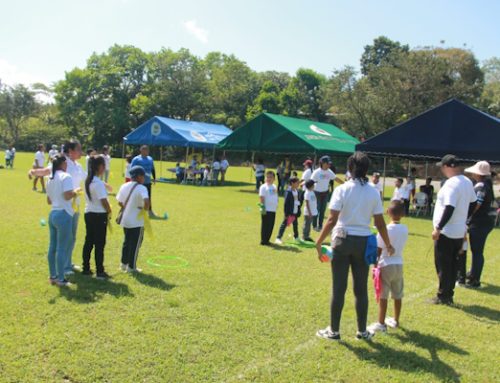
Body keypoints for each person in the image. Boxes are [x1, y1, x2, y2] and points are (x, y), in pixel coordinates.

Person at [315, 152, 394, 341]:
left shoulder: (342, 190)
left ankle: (334, 331)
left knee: (338, 288)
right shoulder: (373, 191)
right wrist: (388, 244)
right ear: (367, 169)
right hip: (363, 242)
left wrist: (318, 242)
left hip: (342, 241)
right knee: (361, 289)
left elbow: (332, 219)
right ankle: (362, 331)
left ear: (350, 168)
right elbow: (380, 223)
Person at [30, 140, 87, 275]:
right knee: (64, 239)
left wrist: (102, 184)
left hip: (75, 205)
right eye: (78, 149)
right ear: (70, 150)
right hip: (64, 206)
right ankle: (64, 268)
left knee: (72, 237)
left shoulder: (78, 165)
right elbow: (45, 171)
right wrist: (32, 171)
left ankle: (67, 262)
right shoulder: (62, 162)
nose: (81, 151)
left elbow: (87, 178)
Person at [431, 155, 477, 305]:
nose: (442, 170)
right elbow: (473, 203)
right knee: (452, 265)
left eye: (443, 167)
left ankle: (443, 296)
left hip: (447, 232)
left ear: (449, 167)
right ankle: (448, 294)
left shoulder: (451, 184)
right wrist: (464, 219)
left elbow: (449, 207)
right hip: (458, 230)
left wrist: (438, 227)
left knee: (443, 265)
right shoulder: (467, 181)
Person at [367, 201, 408, 333]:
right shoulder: (405, 229)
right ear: (403, 214)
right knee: (398, 294)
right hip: (399, 264)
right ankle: (396, 320)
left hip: (386, 264)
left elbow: (379, 249)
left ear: (387, 212)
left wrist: (375, 266)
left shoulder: (386, 229)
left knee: (383, 295)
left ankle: (381, 323)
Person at [45, 155, 77, 287]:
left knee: (52, 246)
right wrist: (75, 192)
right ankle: (61, 279)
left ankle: (53, 276)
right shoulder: (66, 176)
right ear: (63, 163)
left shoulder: (50, 178)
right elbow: (67, 195)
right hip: (64, 214)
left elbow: (49, 200)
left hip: (53, 213)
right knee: (62, 248)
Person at [464, 161, 495, 288]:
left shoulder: (481, 186)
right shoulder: (486, 185)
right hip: (485, 222)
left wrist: (467, 216)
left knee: (477, 251)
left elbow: (477, 204)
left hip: (479, 223)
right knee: (477, 251)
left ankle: (474, 279)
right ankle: (473, 273)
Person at [82, 156, 112, 279]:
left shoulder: (87, 180)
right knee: (99, 243)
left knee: (89, 241)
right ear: (99, 167)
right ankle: (100, 271)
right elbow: (104, 201)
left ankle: (86, 267)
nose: (104, 168)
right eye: (103, 165)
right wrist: (109, 210)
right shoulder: (98, 183)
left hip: (89, 213)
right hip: (99, 215)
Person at [117, 165, 150, 272]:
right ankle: (131, 267)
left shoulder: (124, 186)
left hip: (125, 220)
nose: (144, 178)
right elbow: (146, 201)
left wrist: (127, 208)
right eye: (143, 176)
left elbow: (119, 202)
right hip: (136, 221)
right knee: (135, 244)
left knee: (126, 242)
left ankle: (123, 264)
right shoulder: (142, 188)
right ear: (139, 176)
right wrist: (144, 209)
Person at [311, 156, 344, 231]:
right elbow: (311, 182)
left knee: (322, 211)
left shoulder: (329, 172)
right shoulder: (317, 172)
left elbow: (336, 179)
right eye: (327, 163)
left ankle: (320, 226)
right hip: (317, 193)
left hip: (325, 194)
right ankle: (314, 226)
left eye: (329, 164)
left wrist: (345, 184)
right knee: (317, 209)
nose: (329, 165)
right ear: (322, 163)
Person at [131, 145, 156, 217]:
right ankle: (135, 211)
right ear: (141, 150)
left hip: (147, 182)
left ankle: (150, 211)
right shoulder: (136, 159)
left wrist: (154, 178)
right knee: (138, 197)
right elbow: (132, 170)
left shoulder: (150, 159)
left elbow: (152, 168)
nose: (147, 152)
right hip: (138, 182)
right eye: (145, 150)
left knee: (148, 197)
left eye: (148, 150)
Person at [275, 177, 301, 244]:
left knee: (295, 225)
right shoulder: (288, 192)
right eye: (297, 182)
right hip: (289, 212)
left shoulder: (297, 191)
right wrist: (286, 214)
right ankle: (278, 238)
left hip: (295, 211)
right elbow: (286, 203)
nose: (298, 184)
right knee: (284, 224)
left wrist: (298, 210)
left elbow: (297, 201)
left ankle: (296, 237)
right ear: (292, 183)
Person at [259, 171, 279, 245]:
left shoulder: (274, 186)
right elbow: (261, 198)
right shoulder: (263, 187)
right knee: (265, 225)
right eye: (267, 177)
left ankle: (267, 239)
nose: (269, 178)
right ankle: (263, 240)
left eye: (271, 177)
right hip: (266, 209)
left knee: (271, 225)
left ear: (274, 178)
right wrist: (262, 207)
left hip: (273, 209)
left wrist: (277, 202)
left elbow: (275, 196)